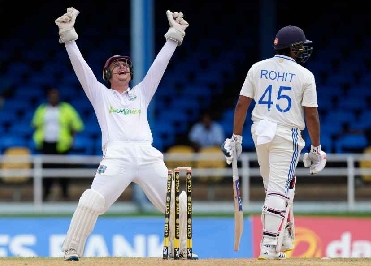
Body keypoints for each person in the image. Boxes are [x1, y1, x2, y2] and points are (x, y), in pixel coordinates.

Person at [54, 7, 197, 261]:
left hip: (146, 154)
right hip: (117, 155)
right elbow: (80, 68)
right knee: (92, 200)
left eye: (125, 65)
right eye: (117, 65)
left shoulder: (141, 93)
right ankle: (71, 249)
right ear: (108, 75)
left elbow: (159, 66)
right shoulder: (101, 95)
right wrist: (68, 35)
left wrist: (174, 35)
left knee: (179, 200)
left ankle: (182, 250)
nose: (122, 67)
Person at [221, 25, 327, 260]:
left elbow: (241, 105)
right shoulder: (304, 75)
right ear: (294, 48)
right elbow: (311, 115)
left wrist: (235, 138)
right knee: (279, 188)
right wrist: (316, 148)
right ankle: (269, 244)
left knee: (274, 187)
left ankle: (282, 238)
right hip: (285, 135)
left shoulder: (257, 68)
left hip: (260, 132)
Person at [31, 87, 84, 201]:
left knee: (63, 170)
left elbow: (77, 125)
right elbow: (35, 124)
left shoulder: (66, 109)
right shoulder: (42, 109)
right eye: (51, 95)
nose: (53, 97)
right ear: (48, 97)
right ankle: (45, 194)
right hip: (46, 144)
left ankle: (65, 194)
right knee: (46, 170)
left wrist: (71, 138)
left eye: (55, 95)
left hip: (62, 145)